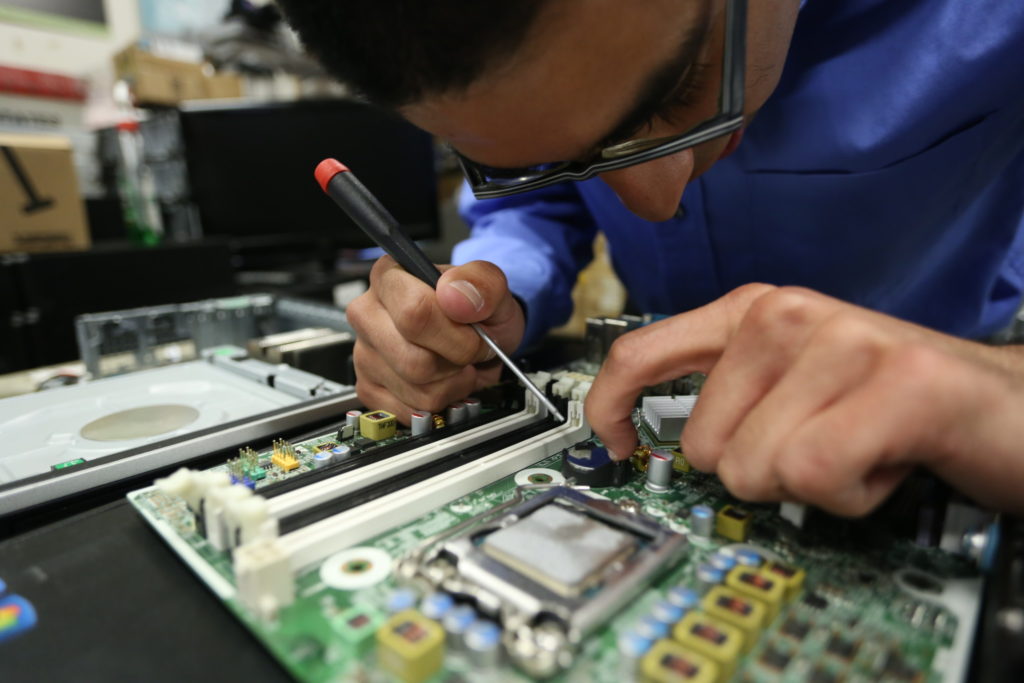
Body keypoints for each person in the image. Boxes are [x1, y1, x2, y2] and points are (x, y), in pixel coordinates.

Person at [276, 0, 1024, 516]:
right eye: (560, 156)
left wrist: (999, 388)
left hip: (934, 443)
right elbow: (526, 207)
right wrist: (494, 292)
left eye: (679, 86)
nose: (656, 200)